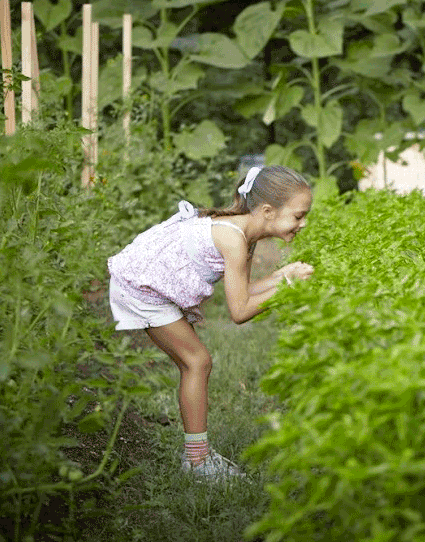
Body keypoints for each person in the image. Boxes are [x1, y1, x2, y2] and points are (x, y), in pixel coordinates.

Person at [107, 165, 314, 482]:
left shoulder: (245, 233)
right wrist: (287, 288)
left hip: (150, 282)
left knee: (196, 362)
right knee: (197, 361)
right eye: (298, 216)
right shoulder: (233, 238)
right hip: (141, 286)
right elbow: (240, 311)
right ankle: (197, 462)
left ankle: (197, 458)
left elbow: (245, 292)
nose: (303, 223)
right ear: (268, 211)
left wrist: (283, 277)